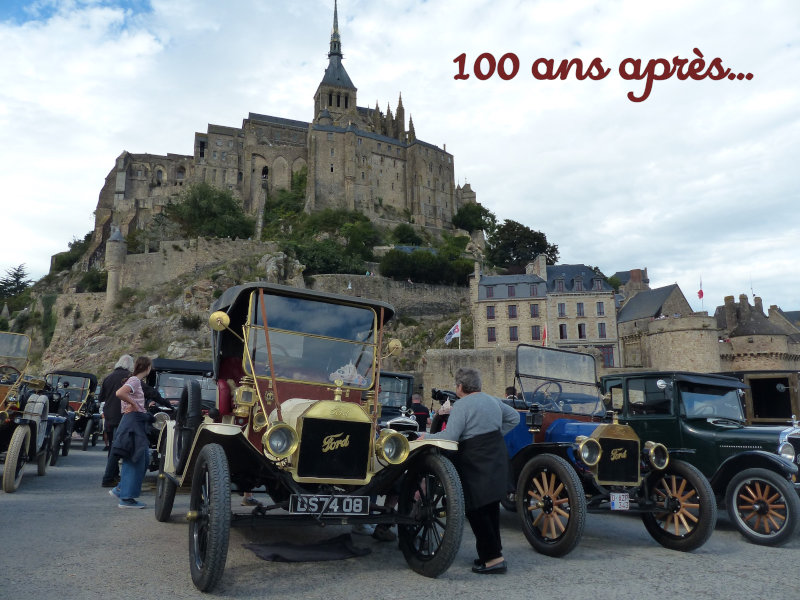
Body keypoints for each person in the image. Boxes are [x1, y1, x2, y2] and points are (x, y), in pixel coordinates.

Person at [418, 367, 519, 574]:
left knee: (475, 508)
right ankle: (492, 553)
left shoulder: (462, 405)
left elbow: (450, 437)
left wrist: (424, 438)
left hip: (474, 458)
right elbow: (515, 418)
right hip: (496, 454)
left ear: (460, 387)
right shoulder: (493, 400)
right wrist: (495, 434)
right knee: (490, 507)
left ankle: (493, 559)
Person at [109, 356, 154, 509]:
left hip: (135, 420)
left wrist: (137, 404)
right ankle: (126, 498)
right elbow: (120, 393)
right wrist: (134, 404)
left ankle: (121, 489)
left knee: (143, 458)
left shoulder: (134, 380)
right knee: (136, 458)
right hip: (133, 421)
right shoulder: (135, 381)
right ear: (147, 368)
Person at [100, 354, 134, 487]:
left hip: (109, 415)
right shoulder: (130, 379)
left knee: (112, 447)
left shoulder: (108, 378)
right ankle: (109, 477)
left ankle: (113, 474)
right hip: (123, 415)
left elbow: (101, 397)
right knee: (118, 447)